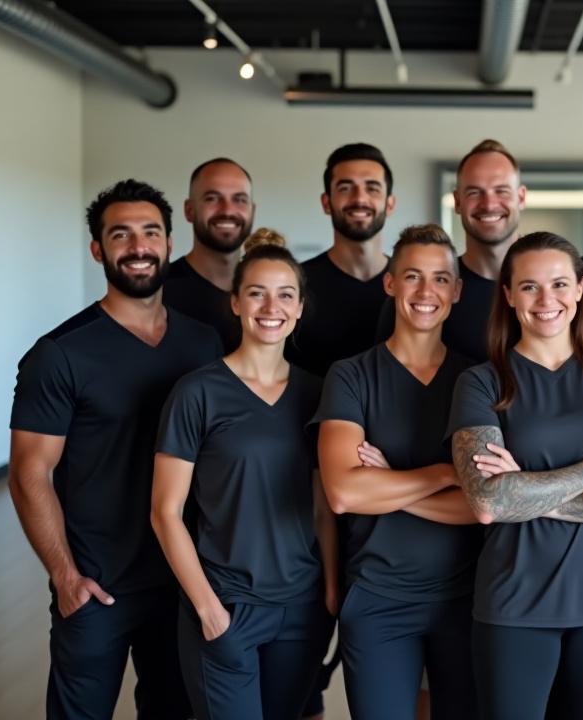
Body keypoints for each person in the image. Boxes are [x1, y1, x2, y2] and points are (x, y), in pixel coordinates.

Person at [8, 179, 219, 719]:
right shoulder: (60, 354)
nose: (138, 246)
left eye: (150, 232)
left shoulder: (204, 343)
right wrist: (65, 577)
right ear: (98, 249)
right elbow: (30, 472)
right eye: (120, 234)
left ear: (170, 242)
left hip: (180, 576)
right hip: (96, 583)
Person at [447, 232, 583, 720]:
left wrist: (525, 490)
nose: (546, 300)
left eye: (560, 284)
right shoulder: (481, 382)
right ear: (508, 295)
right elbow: (488, 503)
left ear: (581, 289)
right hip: (514, 603)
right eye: (529, 286)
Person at [151, 230, 337, 720]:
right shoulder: (197, 393)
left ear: (299, 308)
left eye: (285, 295)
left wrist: (329, 592)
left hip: (301, 609)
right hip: (226, 604)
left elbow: (324, 507)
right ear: (235, 303)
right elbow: (165, 512)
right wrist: (208, 610)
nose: (271, 307)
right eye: (257, 292)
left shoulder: (319, 394)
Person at [314, 225, 483, 720]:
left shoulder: (478, 380)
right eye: (412, 276)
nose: (426, 291)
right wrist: (444, 473)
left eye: (440, 279)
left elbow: (485, 504)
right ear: (389, 283)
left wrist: (389, 483)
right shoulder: (350, 375)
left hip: (467, 598)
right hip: (377, 598)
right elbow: (344, 492)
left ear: (457, 290)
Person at [374, 139, 583, 360]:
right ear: (458, 201)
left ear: (521, 197)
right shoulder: (424, 296)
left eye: (501, 191)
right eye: (475, 192)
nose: (489, 204)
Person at [290, 142, 395, 377]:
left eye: (372, 188)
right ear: (326, 202)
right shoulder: (294, 285)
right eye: (346, 188)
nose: (359, 198)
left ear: (390, 204)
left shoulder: (412, 288)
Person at [163, 157, 256, 352]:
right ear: (189, 210)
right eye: (212, 198)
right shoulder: (158, 292)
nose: (227, 210)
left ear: (252, 210)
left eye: (239, 199)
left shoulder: (270, 295)